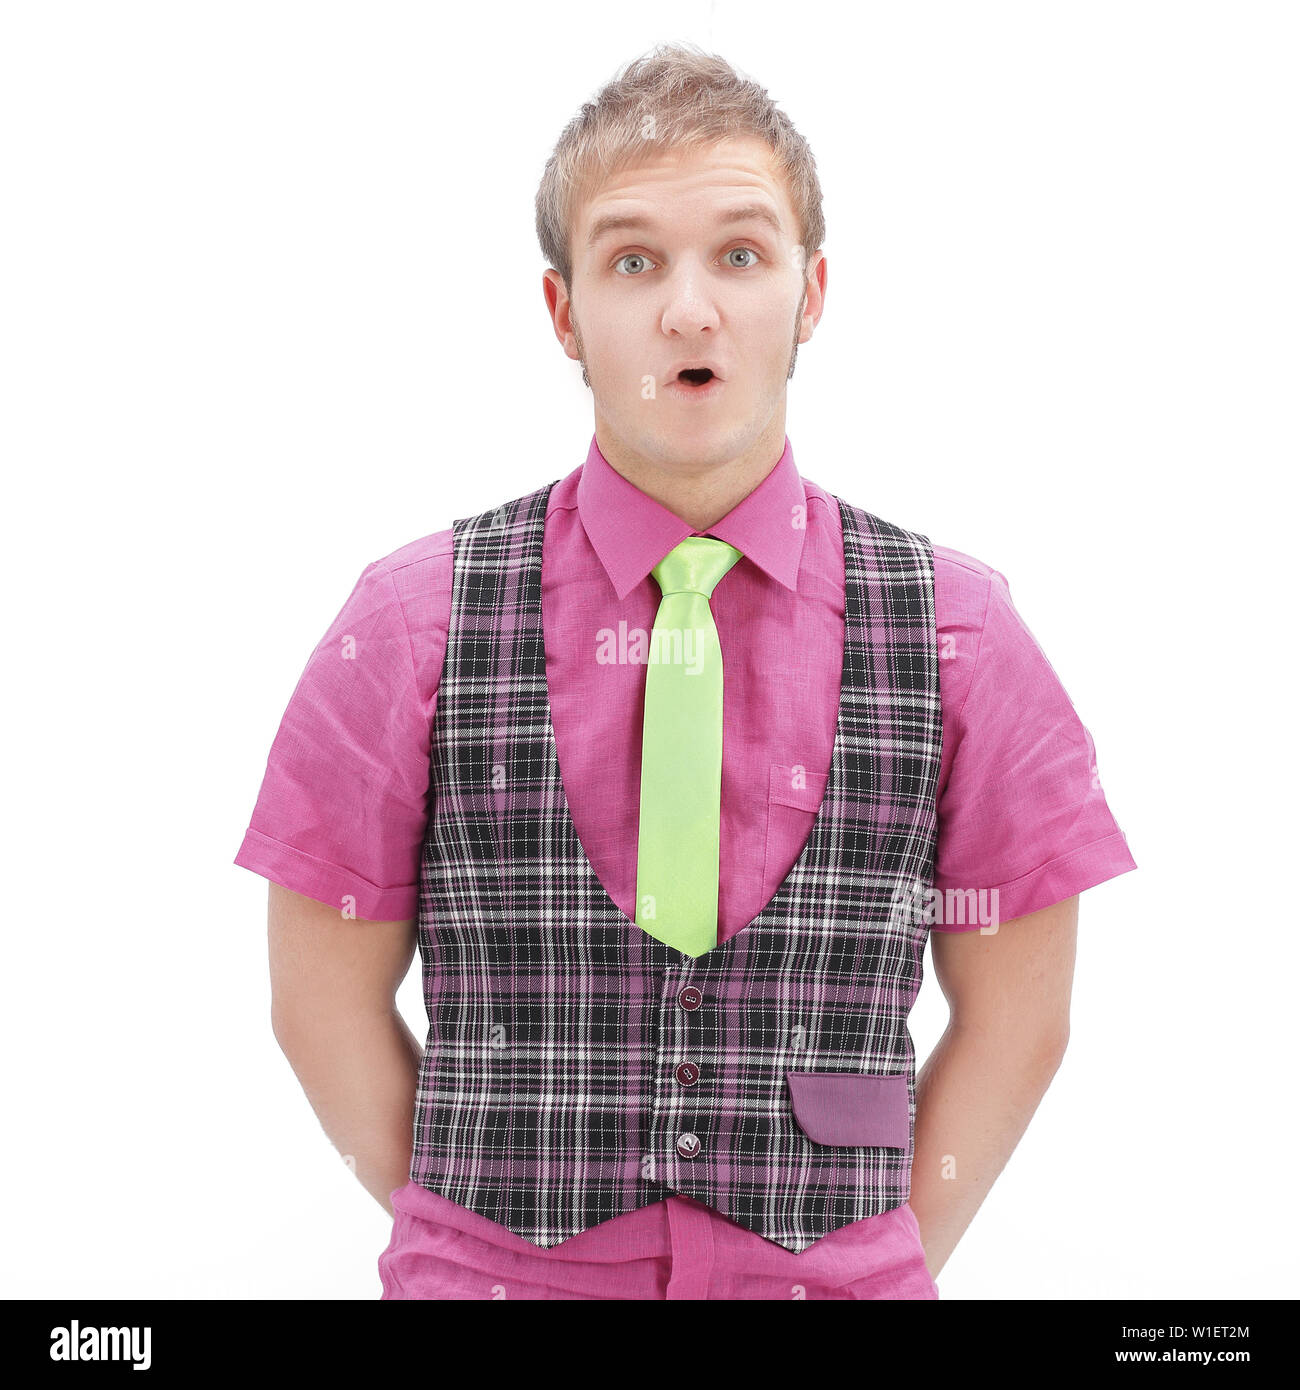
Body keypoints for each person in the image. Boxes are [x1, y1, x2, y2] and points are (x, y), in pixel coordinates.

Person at [235, 42, 1137, 1300]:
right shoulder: (407, 621)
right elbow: (319, 1004)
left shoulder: (961, 634)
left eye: (742, 254)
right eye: (631, 259)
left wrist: (865, 1265)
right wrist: (472, 1246)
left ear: (811, 293)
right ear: (564, 312)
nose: (688, 310)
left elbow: (1018, 1019)